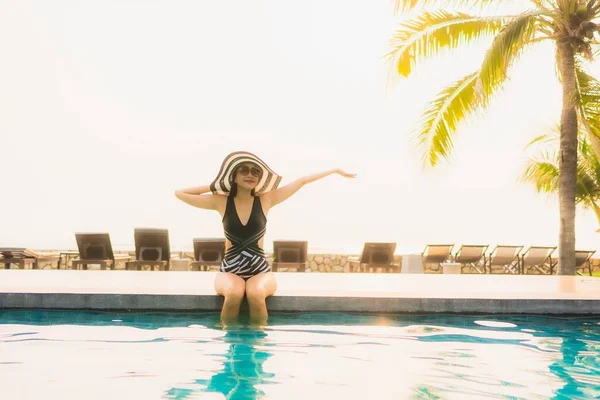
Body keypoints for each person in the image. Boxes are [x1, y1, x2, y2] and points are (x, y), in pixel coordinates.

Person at [175, 151, 355, 325]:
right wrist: (218, 185)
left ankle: (257, 344)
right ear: (234, 176)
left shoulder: (266, 200)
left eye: (255, 171)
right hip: (230, 269)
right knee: (234, 294)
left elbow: (302, 181)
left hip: (259, 269)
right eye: (243, 170)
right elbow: (180, 193)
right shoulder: (221, 201)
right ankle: (231, 346)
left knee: (256, 294)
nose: (250, 174)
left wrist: (335, 171)